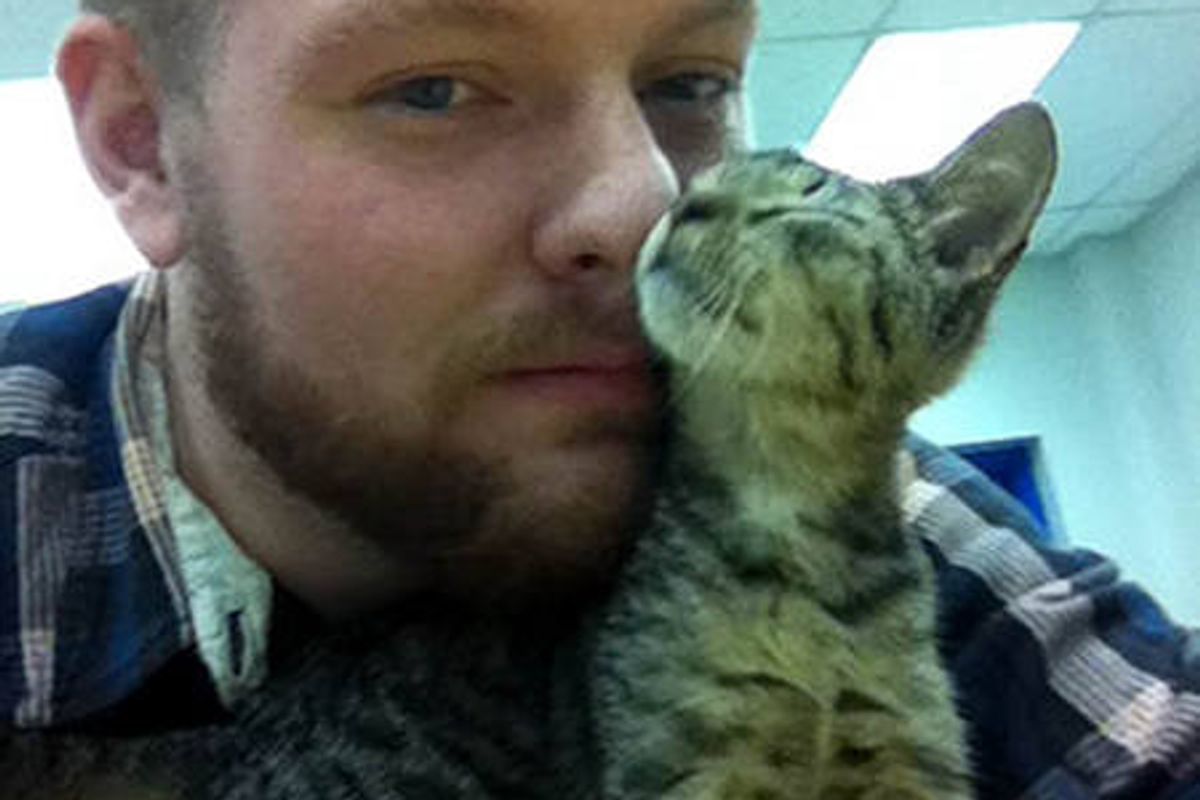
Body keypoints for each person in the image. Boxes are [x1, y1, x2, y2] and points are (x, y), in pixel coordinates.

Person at [1, 0, 1197, 796]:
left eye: (690, 81)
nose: (646, 209)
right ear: (143, 140)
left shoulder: (817, 466)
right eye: (433, 89)